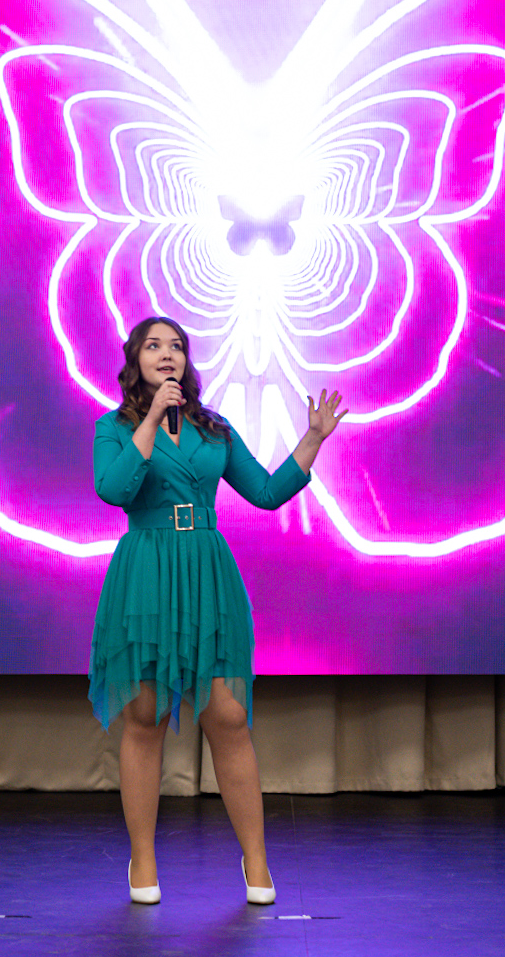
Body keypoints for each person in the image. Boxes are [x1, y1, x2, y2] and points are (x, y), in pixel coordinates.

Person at [88, 315, 346, 906]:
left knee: (227, 716)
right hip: (147, 574)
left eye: (177, 346)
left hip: (207, 573)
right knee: (145, 716)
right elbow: (114, 489)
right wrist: (151, 419)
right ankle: (142, 860)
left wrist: (313, 440)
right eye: (154, 346)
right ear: (135, 361)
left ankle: (256, 859)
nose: (168, 354)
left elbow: (265, 492)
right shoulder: (113, 427)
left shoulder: (214, 429)